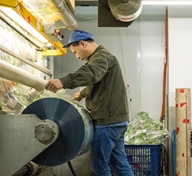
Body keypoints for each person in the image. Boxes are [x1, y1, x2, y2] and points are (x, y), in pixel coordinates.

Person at [45, 29, 133, 176]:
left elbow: (91, 73)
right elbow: (99, 81)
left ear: (83, 43)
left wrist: (64, 81)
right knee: (120, 164)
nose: (77, 56)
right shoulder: (104, 57)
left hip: (107, 123)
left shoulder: (101, 57)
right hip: (117, 121)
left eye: (75, 52)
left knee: (99, 166)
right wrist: (82, 93)